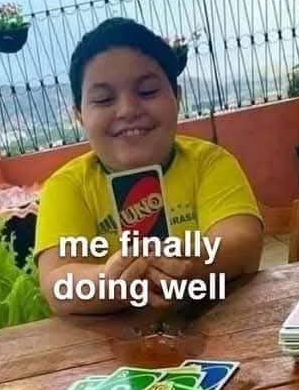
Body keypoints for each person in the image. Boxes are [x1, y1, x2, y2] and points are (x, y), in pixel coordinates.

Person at [35, 18, 263, 314]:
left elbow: (243, 242)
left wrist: (196, 263)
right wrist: (108, 280)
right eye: (104, 99)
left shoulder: (210, 163)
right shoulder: (66, 186)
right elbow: (56, 281)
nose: (128, 110)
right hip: (110, 340)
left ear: (177, 97)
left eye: (147, 92)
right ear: (79, 115)